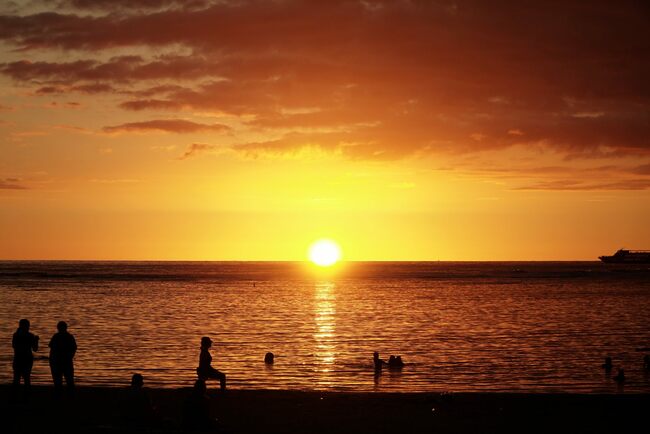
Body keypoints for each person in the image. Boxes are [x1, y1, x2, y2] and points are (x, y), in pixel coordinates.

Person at [48, 321, 77, 396]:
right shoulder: (69, 337)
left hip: (59, 362)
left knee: (59, 381)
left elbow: (52, 348)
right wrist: (70, 356)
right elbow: (74, 348)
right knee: (68, 381)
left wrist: (51, 361)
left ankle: (61, 395)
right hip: (65, 361)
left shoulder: (56, 336)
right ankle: (69, 396)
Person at [12, 319, 39, 392]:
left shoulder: (15, 335)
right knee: (27, 378)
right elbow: (35, 349)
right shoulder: (30, 336)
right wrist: (36, 340)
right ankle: (26, 396)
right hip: (27, 359)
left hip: (17, 359)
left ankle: (15, 396)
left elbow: (14, 346)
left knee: (16, 378)